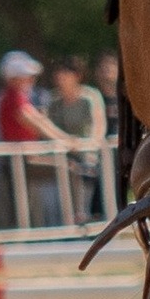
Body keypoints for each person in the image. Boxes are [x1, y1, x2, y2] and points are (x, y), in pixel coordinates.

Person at [0, 47, 68, 227]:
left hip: (24, 159)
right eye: (27, 76)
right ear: (14, 78)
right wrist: (65, 140)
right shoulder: (13, 97)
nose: (32, 80)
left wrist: (64, 139)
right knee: (69, 170)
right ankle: (74, 219)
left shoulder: (16, 96)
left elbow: (38, 120)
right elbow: (34, 122)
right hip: (19, 160)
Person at [49, 55, 109, 222]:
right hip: (65, 153)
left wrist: (91, 144)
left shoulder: (89, 96)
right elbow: (50, 126)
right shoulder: (54, 101)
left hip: (87, 152)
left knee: (87, 169)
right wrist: (66, 142)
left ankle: (88, 214)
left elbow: (98, 124)